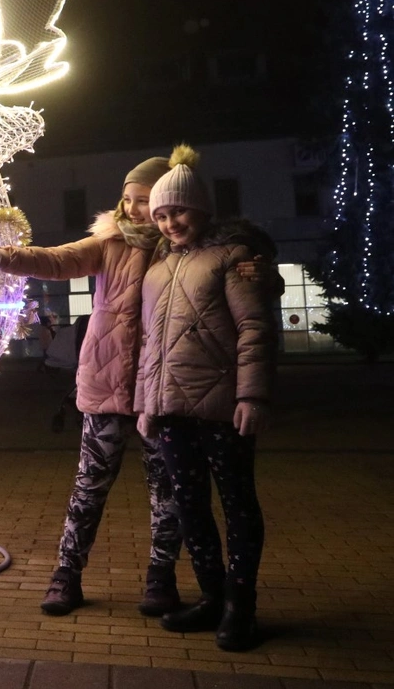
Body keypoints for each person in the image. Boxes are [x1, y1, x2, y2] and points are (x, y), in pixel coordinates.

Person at [0, 154, 184, 617]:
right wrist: (3, 257)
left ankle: (161, 580)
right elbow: (59, 259)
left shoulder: (183, 248)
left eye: (144, 200)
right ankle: (66, 576)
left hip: (161, 392)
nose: (134, 209)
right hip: (106, 385)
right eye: (128, 199)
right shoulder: (110, 242)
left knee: (168, 493)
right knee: (89, 488)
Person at [136, 146, 275, 652]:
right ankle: (213, 596)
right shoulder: (157, 270)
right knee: (190, 506)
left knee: (237, 503)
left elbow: (254, 329)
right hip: (171, 411)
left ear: (201, 209)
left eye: (179, 211)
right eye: (162, 215)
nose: (170, 223)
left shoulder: (233, 259)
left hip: (222, 408)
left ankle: (241, 606)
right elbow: (150, 343)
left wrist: (251, 395)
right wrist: (145, 404)